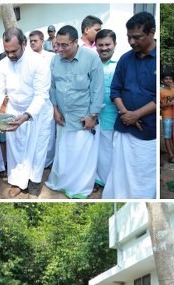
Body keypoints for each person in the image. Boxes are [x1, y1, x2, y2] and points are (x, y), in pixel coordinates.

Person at [0, 28, 52, 198]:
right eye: (7, 51)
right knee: (15, 149)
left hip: (37, 112)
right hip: (14, 111)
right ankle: (18, 182)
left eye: (14, 51)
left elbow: (41, 95)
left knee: (37, 149)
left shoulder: (39, 62)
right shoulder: (1, 66)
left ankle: (34, 184)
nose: (10, 55)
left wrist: (27, 116)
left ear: (24, 44)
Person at [102, 11, 156, 199]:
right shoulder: (126, 58)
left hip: (148, 132)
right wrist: (126, 114)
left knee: (143, 176)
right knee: (120, 171)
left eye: (137, 37)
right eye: (129, 37)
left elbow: (158, 98)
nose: (132, 42)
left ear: (152, 32)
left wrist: (137, 115)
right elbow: (115, 90)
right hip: (123, 126)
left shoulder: (158, 59)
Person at [45, 25, 103, 199]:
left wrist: (92, 116)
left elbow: (97, 89)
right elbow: (53, 88)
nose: (59, 49)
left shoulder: (92, 59)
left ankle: (79, 190)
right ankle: (63, 184)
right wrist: (55, 110)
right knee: (65, 155)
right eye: (57, 45)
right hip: (63, 118)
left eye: (64, 45)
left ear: (75, 42)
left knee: (82, 158)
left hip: (83, 120)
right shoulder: (55, 60)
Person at [94, 29, 118, 188]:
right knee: (94, 150)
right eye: (100, 45)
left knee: (109, 150)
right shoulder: (91, 64)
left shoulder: (120, 65)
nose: (104, 48)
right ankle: (97, 180)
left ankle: (109, 181)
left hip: (112, 114)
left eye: (107, 44)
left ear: (114, 45)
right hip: (93, 116)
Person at [160, 71, 174, 164]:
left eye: (170, 78)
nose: (168, 80)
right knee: (167, 137)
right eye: (166, 79)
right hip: (167, 116)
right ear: (162, 80)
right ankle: (171, 156)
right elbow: (157, 105)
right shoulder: (160, 91)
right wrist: (168, 104)